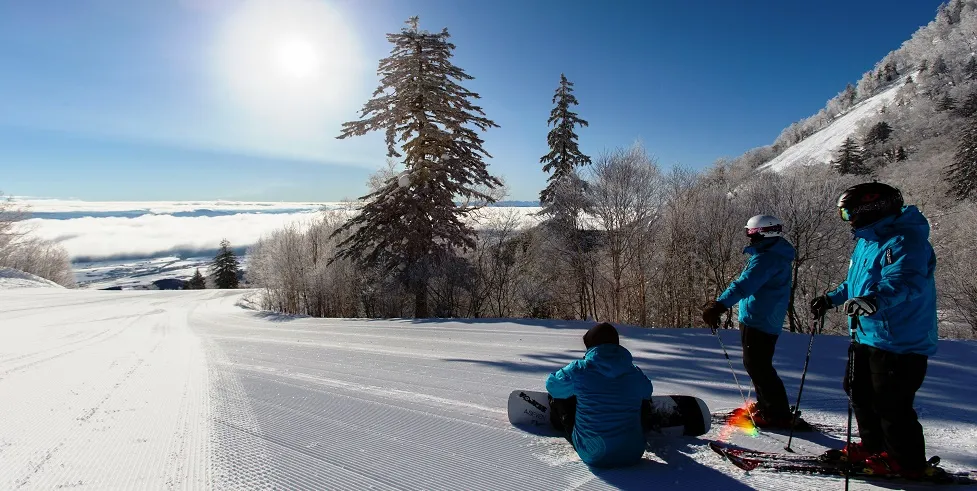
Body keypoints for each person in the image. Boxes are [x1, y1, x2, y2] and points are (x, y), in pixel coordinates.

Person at [810, 182, 938, 479]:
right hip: (867, 333)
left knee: (892, 403)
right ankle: (874, 446)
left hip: (899, 339)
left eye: (848, 213)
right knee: (858, 391)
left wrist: (874, 300)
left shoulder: (906, 240)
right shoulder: (868, 240)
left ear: (872, 208)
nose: (848, 219)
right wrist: (832, 298)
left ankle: (905, 462)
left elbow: (907, 281)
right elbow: (857, 284)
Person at [701, 215, 798, 429]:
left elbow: (744, 285)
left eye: (751, 233)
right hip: (763, 316)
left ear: (762, 233)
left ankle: (776, 412)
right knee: (757, 364)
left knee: (758, 365)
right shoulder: (772, 254)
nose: (749, 237)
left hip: (760, 318)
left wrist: (719, 305)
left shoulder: (767, 258)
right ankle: (768, 405)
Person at [545, 322, 654, 468]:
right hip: (633, 454)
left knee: (560, 395)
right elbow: (648, 392)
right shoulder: (634, 372)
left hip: (594, 453)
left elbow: (552, 386)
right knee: (642, 398)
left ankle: (560, 422)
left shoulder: (579, 370)